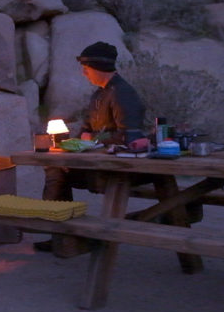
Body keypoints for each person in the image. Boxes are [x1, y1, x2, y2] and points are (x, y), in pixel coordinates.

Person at [36, 41, 147, 252]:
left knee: (56, 174)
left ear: (98, 67)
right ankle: (61, 235)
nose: (84, 74)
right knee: (55, 169)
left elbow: (129, 136)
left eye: (86, 69)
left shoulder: (122, 93)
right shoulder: (99, 95)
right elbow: (87, 128)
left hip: (116, 168)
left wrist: (94, 141)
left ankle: (63, 237)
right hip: (95, 161)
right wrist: (76, 144)